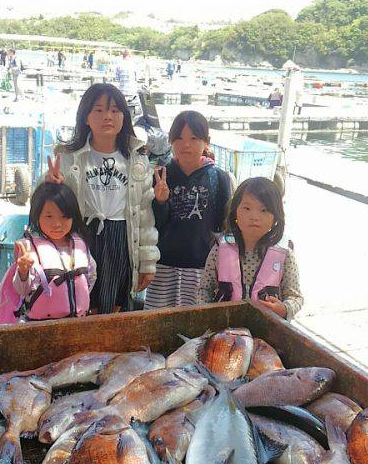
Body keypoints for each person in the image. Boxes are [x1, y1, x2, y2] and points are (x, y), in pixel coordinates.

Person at [45, 83, 159, 314]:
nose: (107, 116)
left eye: (115, 110)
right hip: (82, 236)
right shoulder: (69, 158)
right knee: (80, 301)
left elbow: (146, 217)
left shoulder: (137, 160)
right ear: (85, 117)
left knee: (116, 305)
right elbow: (43, 205)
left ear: (124, 118)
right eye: (98, 110)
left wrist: (147, 263)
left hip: (123, 238)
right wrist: (49, 185)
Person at [144, 110, 231, 310]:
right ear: (171, 141)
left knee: (195, 328)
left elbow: (222, 227)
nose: (186, 144)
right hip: (163, 266)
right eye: (179, 138)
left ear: (206, 141)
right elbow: (153, 225)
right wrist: (160, 202)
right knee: (157, 326)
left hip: (201, 268)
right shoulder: (160, 175)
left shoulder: (218, 178)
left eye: (194, 138)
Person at [198, 176, 303, 320]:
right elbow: (204, 288)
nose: (254, 216)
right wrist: (205, 315)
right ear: (235, 212)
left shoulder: (284, 255)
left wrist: (284, 309)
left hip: (267, 331)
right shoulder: (219, 250)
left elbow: (295, 296)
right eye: (247, 208)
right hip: (226, 330)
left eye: (264, 210)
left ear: (276, 217)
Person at [0, 183, 96, 325]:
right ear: (38, 216)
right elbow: (22, 290)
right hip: (41, 326)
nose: (57, 224)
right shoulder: (29, 250)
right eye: (49, 216)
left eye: (64, 217)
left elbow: (90, 277)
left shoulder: (80, 246)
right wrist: (23, 271)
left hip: (76, 324)